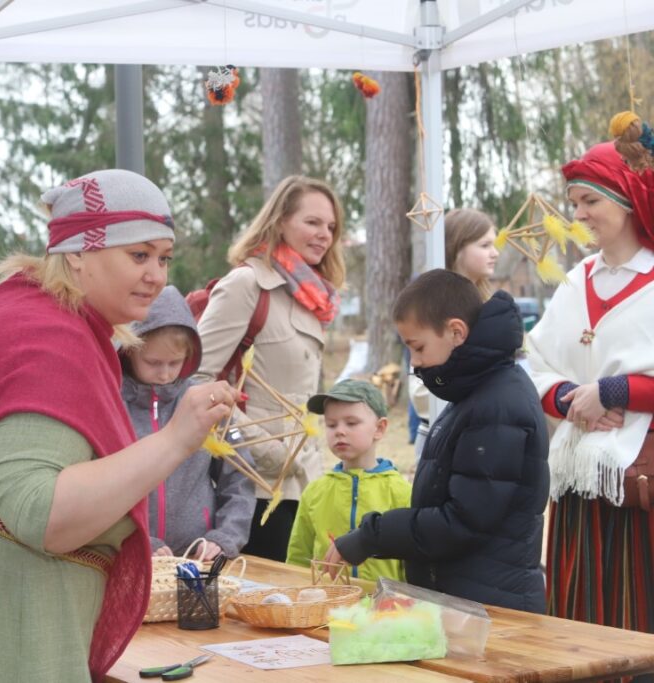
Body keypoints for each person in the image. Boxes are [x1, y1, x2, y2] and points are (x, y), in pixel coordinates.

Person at [0, 169, 240, 682]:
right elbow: (41, 514)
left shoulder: (35, 314)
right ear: (79, 252)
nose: (157, 275)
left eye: (164, 258)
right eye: (139, 255)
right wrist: (177, 438)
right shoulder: (49, 337)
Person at [327, 270, 550, 612]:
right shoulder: (479, 392)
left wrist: (372, 535)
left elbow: (462, 521)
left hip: (489, 607)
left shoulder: (497, 405)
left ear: (456, 332)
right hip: (469, 597)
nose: (414, 363)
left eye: (418, 348)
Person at [526, 125, 654, 655]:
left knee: (639, 618)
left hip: (641, 481)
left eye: (589, 200)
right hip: (581, 480)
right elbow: (534, 363)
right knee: (580, 622)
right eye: (574, 201)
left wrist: (614, 389)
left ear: (629, 200)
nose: (577, 214)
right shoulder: (576, 279)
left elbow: (614, 385)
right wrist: (568, 401)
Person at [196, 175, 346, 561]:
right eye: (312, 222)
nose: (324, 235)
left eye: (330, 226)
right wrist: (268, 449)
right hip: (252, 489)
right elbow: (194, 382)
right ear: (280, 220)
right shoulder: (247, 285)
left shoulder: (314, 298)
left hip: (305, 484)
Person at [120, 285, 255, 561]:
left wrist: (224, 537)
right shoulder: (111, 402)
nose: (165, 373)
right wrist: (133, 540)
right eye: (153, 362)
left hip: (197, 560)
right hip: (128, 560)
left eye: (175, 362)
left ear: (190, 355)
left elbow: (240, 476)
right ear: (128, 351)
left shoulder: (206, 402)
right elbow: (96, 490)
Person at [286, 379, 411, 583]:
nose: (339, 431)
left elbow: (411, 563)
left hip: (383, 610)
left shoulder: (401, 491)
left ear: (380, 428)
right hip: (324, 605)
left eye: (351, 423)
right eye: (331, 424)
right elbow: (298, 557)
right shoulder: (315, 491)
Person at [409, 208, 500, 457]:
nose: (495, 253)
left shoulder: (490, 306)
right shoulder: (430, 304)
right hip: (443, 436)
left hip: (486, 435)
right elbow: (420, 385)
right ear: (456, 247)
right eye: (485, 245)